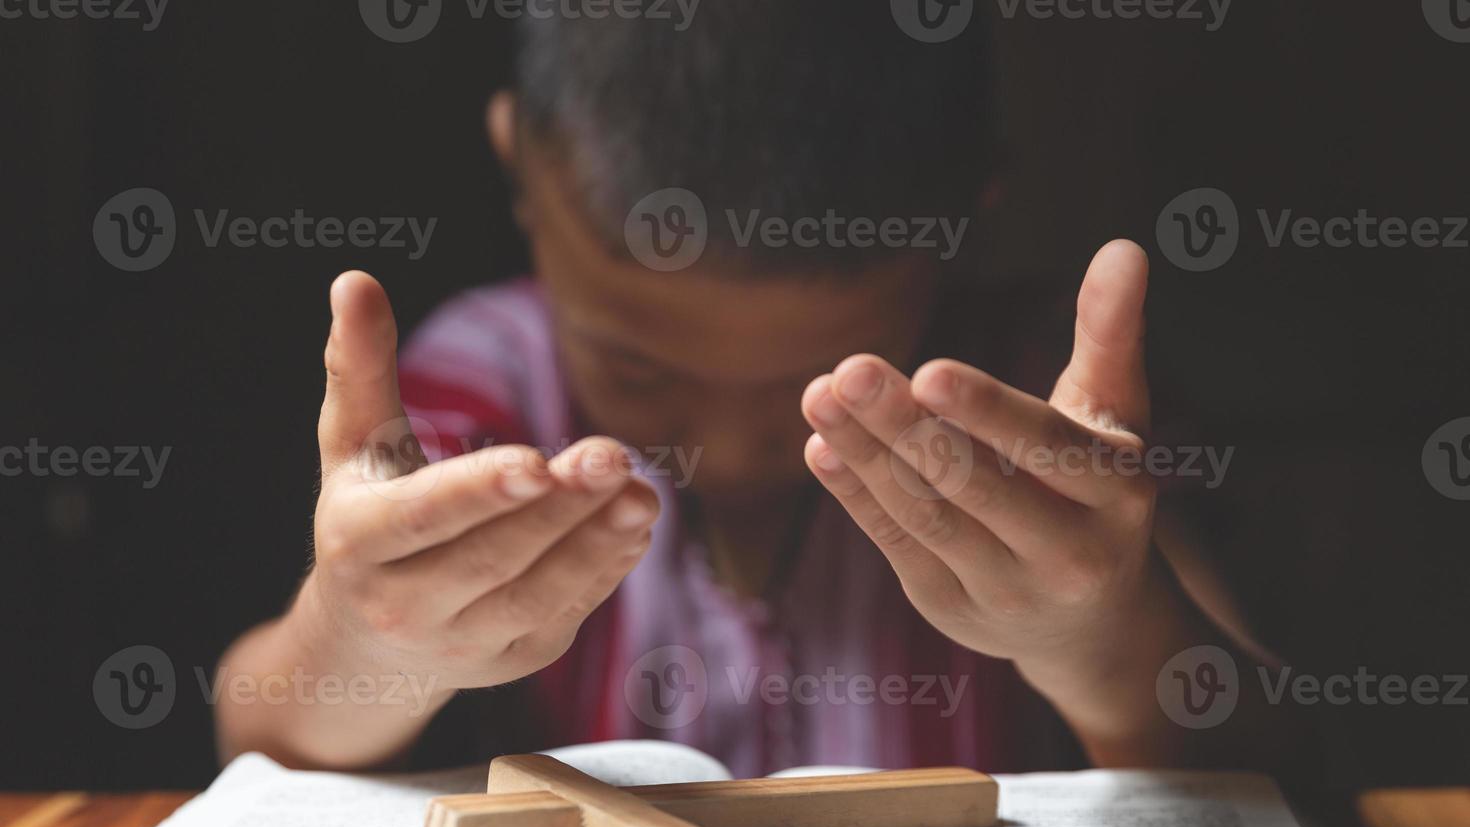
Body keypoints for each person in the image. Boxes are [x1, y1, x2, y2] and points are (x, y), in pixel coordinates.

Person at [216, 3, 1303, 779]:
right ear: (520, 171)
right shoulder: (475, 391)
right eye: (638, 366)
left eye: (812, 382)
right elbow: (256, 737)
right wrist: (363, 645)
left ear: (965, 220)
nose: (731, 448)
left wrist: (1109, 638)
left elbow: (1280, 765)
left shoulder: (1029, 414)